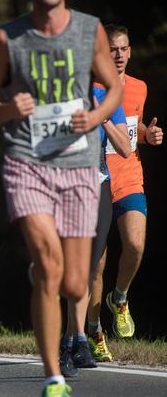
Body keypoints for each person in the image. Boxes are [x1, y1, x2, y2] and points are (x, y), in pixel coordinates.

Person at [0, 0, 123, 395]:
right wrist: (8, 108)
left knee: (75, 281)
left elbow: (112, 83)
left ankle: (49, 280)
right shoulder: (9, 37)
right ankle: (53, 377)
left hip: (79, 163)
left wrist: (96, 114)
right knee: (49, 265)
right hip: (28, 162)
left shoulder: (89, 29)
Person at [93, 24, 162, 345]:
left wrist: (150, 135)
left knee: (135, 244)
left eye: (123, 49)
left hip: (130, 179)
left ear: (130, 51)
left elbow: (133, 132)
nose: (118, 55)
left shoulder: (139, 88)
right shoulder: (91, 90)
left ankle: (119, 298)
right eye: (112, 49)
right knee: (97, 264)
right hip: (96, 183)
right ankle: (94, 331)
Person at [60, 86, 130, 376]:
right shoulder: (55, 94)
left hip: (99, 186)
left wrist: (101, 117)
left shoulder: (108, 97)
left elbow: (125, 148)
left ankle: (72, 341)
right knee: (73, 267)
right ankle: (73, 342)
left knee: (88, 267)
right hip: (65, 186)